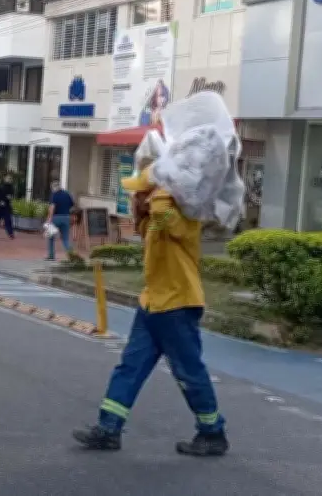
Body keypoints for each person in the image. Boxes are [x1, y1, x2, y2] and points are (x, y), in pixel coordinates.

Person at [72, 166, 228, 457]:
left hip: (178, 306)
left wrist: (161, 194)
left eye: (139, 192)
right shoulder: (154, 222)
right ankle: (109, 429)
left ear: (158, 194)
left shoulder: (184, 219)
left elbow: (172, 224)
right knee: (130, 368)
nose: (134, 196)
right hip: (152, 305)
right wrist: (142, 210)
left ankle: (212, 432)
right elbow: (148, 228)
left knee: (188, 373)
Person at [46, 181, 74, 261]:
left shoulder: (54, 195)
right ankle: (72, 255)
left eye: (52, 189)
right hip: (66, 217)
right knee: (65, 238)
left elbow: (52, 208)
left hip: (56, 218)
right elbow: (71, 205)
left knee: (51, 237)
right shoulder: (67, 194)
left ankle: (51, 255)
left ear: (54, 187)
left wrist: (49, 219)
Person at [0, 174, 15, 238]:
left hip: (6, 206)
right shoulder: (0, 185)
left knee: (8, 220)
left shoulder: (11, 187)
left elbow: (12, 194)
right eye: (8, 178)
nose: (10, 180)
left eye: (10, 179)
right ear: (5, 179)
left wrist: (10, 197)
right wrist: (0, 201)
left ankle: (10, 233)